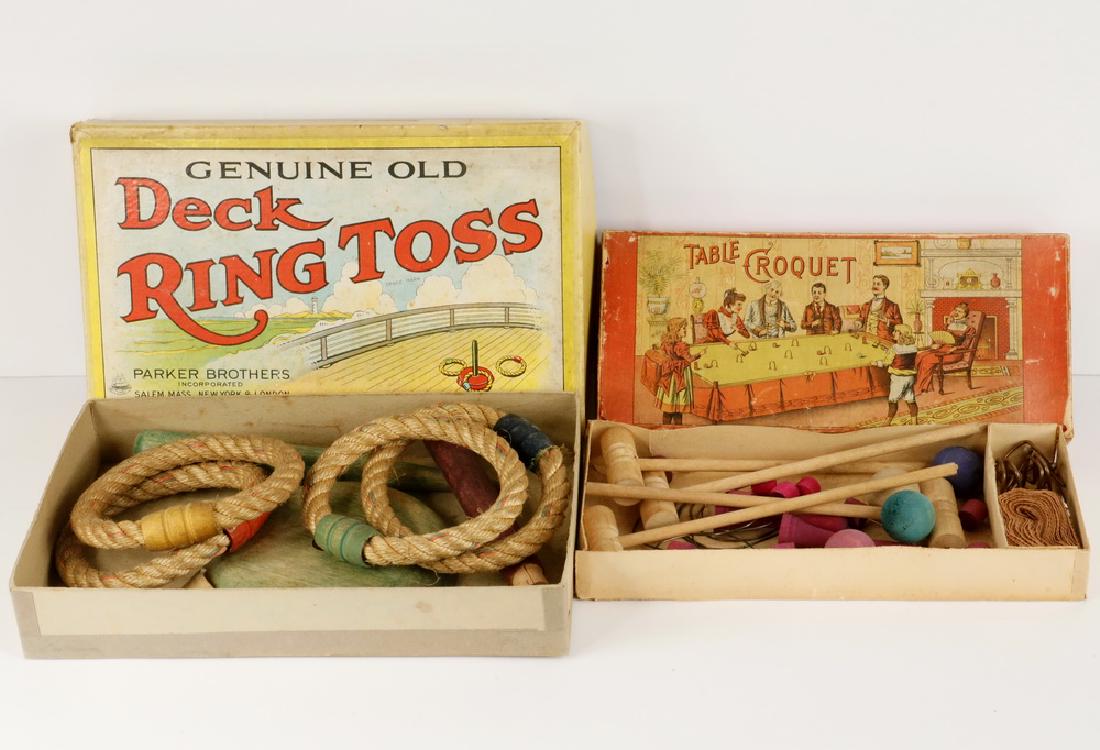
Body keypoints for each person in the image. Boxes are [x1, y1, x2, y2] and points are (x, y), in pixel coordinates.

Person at [915, 301, 978, 393]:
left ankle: (921, 387)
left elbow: (966, 345)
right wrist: (937, 343)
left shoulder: (969, 329)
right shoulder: (949, 325)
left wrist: (955, 348)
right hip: (942, 349)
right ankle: (925, 386)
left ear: (965, 314)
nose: (956, 313)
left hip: (954, 353)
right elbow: (942, 336)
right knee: (920, 356)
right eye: (956, 310)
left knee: (927, 359)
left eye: (960, 311)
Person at [654, 317, 701, 425]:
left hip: (668, 377)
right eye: (683, 328)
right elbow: (689, 359)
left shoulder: (666, 343)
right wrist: (699, 355)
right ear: (676, 330)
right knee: (678, 408)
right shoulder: (681, 345)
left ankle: (665, 428)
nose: (685, 330)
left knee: (668, 408)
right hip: (679, 376)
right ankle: (678, 429)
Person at [877, 323, 918, 424]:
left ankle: (888, 422)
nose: (893, 333)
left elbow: (886, 362)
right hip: (910, 378)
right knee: (910, 399)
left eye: (896, 331)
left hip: (898, 378)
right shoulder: (913, 347)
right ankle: (914, 422)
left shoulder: (895, 347)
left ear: (902, 334)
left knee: (893, 400)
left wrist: (876, 363)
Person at [857, 274, 903, 340]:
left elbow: (899, 323)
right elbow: (862, 318)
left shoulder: (893, 306)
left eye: (878, 284)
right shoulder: (866, 305)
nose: (875, 286)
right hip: (867, 339)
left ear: (885, 286)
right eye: (874, 284)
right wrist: (859, 322)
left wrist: (888, 321)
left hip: (884, 340)